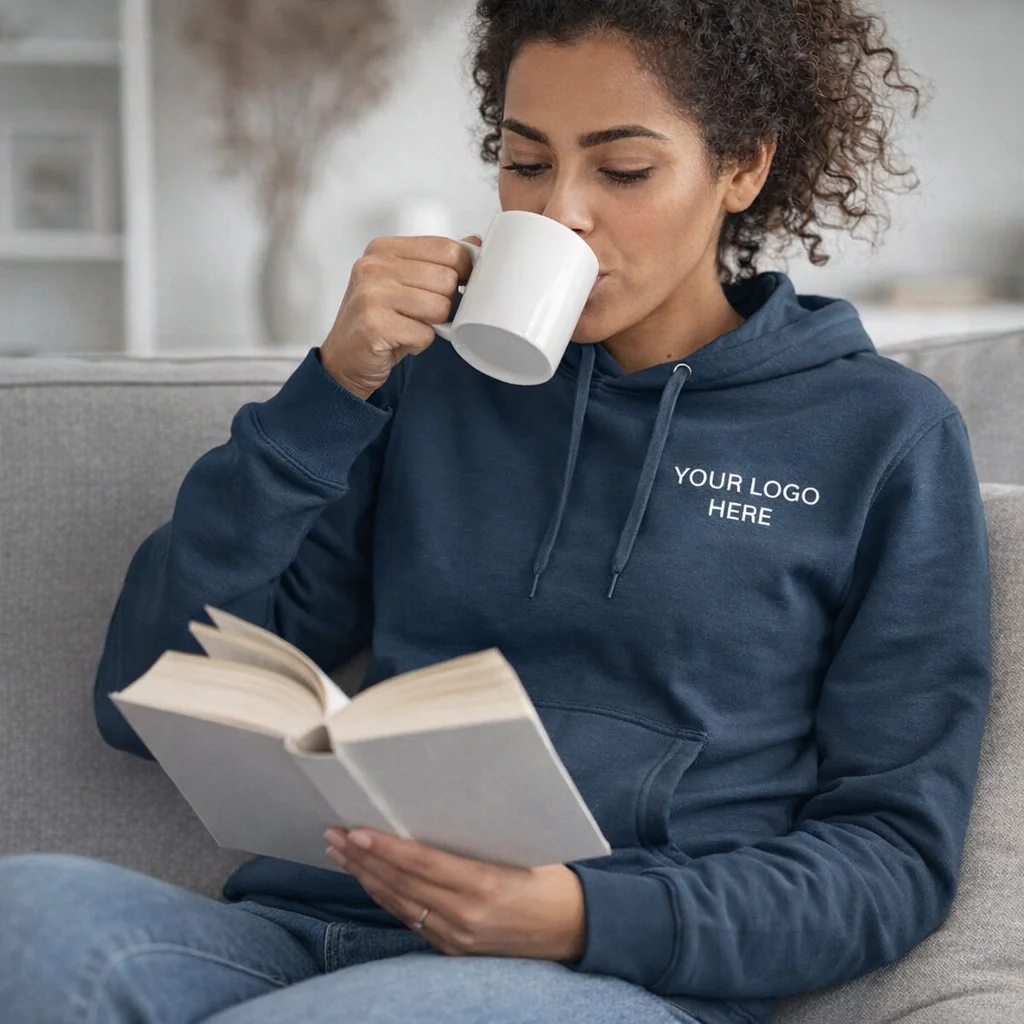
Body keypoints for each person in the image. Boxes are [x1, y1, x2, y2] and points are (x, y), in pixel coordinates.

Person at [0, 1, 992, 1023]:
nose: (562, 211)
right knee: (22, 919)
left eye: (622, 170)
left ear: (740, 168)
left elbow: (892, 855)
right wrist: (330, 391)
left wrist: (578, 913)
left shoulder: (878, 433)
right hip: (304, 933)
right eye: (525, 163)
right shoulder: (431, 383)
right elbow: (142, 696)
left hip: (600, 973)